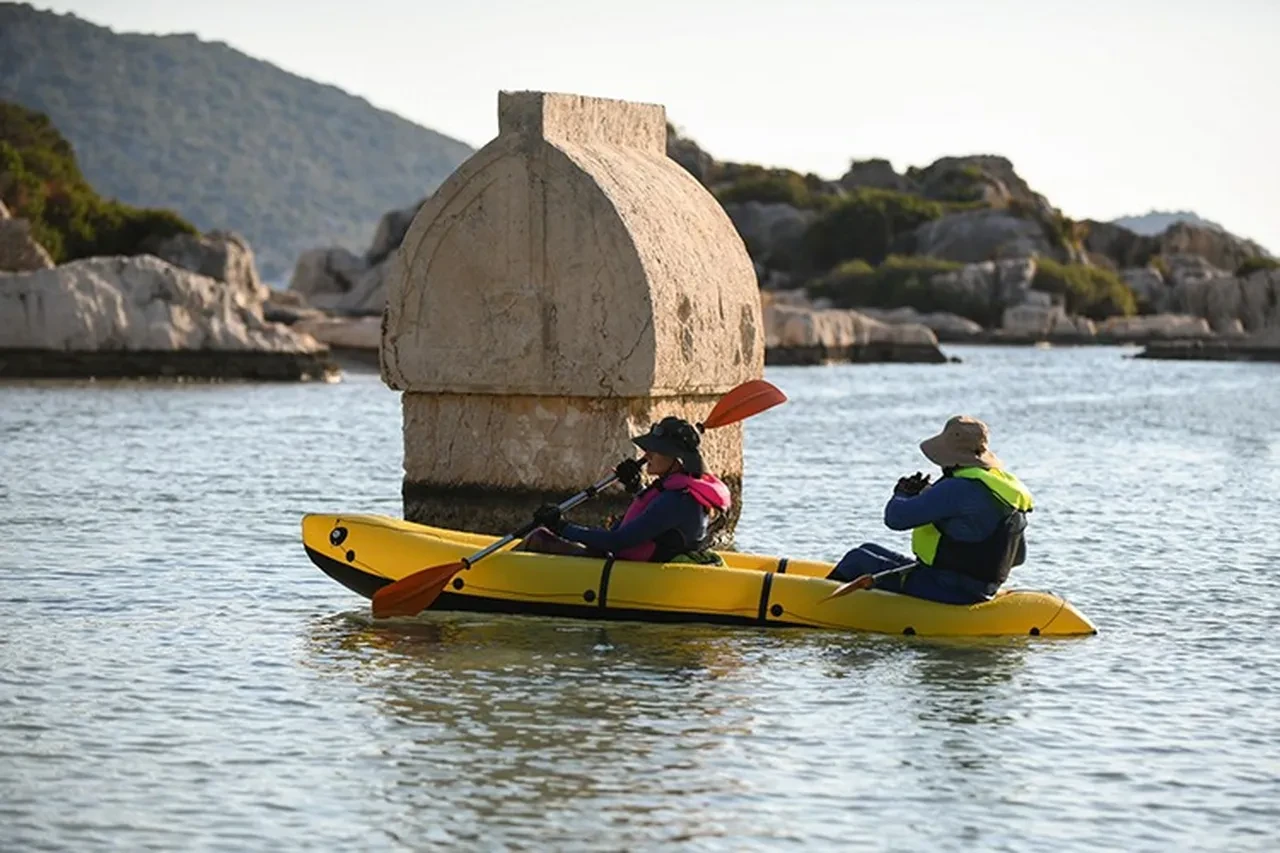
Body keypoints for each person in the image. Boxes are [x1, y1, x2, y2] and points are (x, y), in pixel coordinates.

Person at [829, 415, 1034, 605]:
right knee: (868, 548)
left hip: (947, 590)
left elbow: (895, 518)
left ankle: (819, 610)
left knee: (857, 559)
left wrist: (903, 493)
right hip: (981, 589)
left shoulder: (957, 488)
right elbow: (1018, 557)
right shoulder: (1005, 491)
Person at [518, 416, 732, 564]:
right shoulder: (681, 490)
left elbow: (618, 541)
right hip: (640, 561)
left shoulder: (678, 500)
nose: (647, 454)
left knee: (540, 538)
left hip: (636, 571)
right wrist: (636, 488)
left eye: (655, 450)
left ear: (677, 460)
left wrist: (561, 527)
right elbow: (656, 523)